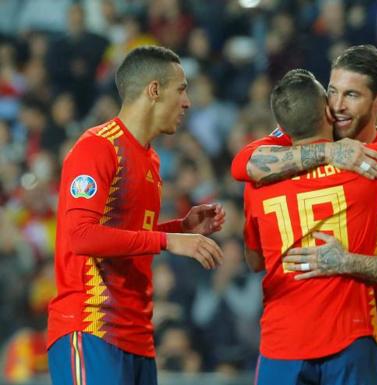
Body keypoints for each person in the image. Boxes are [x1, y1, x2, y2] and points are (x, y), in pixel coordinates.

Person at [231, 45, 377, 383]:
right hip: (341, 340)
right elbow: (241, 163)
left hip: (366, 330)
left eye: (351, 95)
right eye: (333, 92)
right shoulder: (296, 144)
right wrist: (329, 151)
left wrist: (347, 261)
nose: (337, 106)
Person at [47, 45, 226, 385]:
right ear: (154, 90)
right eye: (181, 89)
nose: (187, 102)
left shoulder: (151, 160)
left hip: (137, 336)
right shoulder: (97, 147)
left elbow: (123, 235)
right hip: (91, 327)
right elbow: (82, 236)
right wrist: (168, 239)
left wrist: (180, 227)